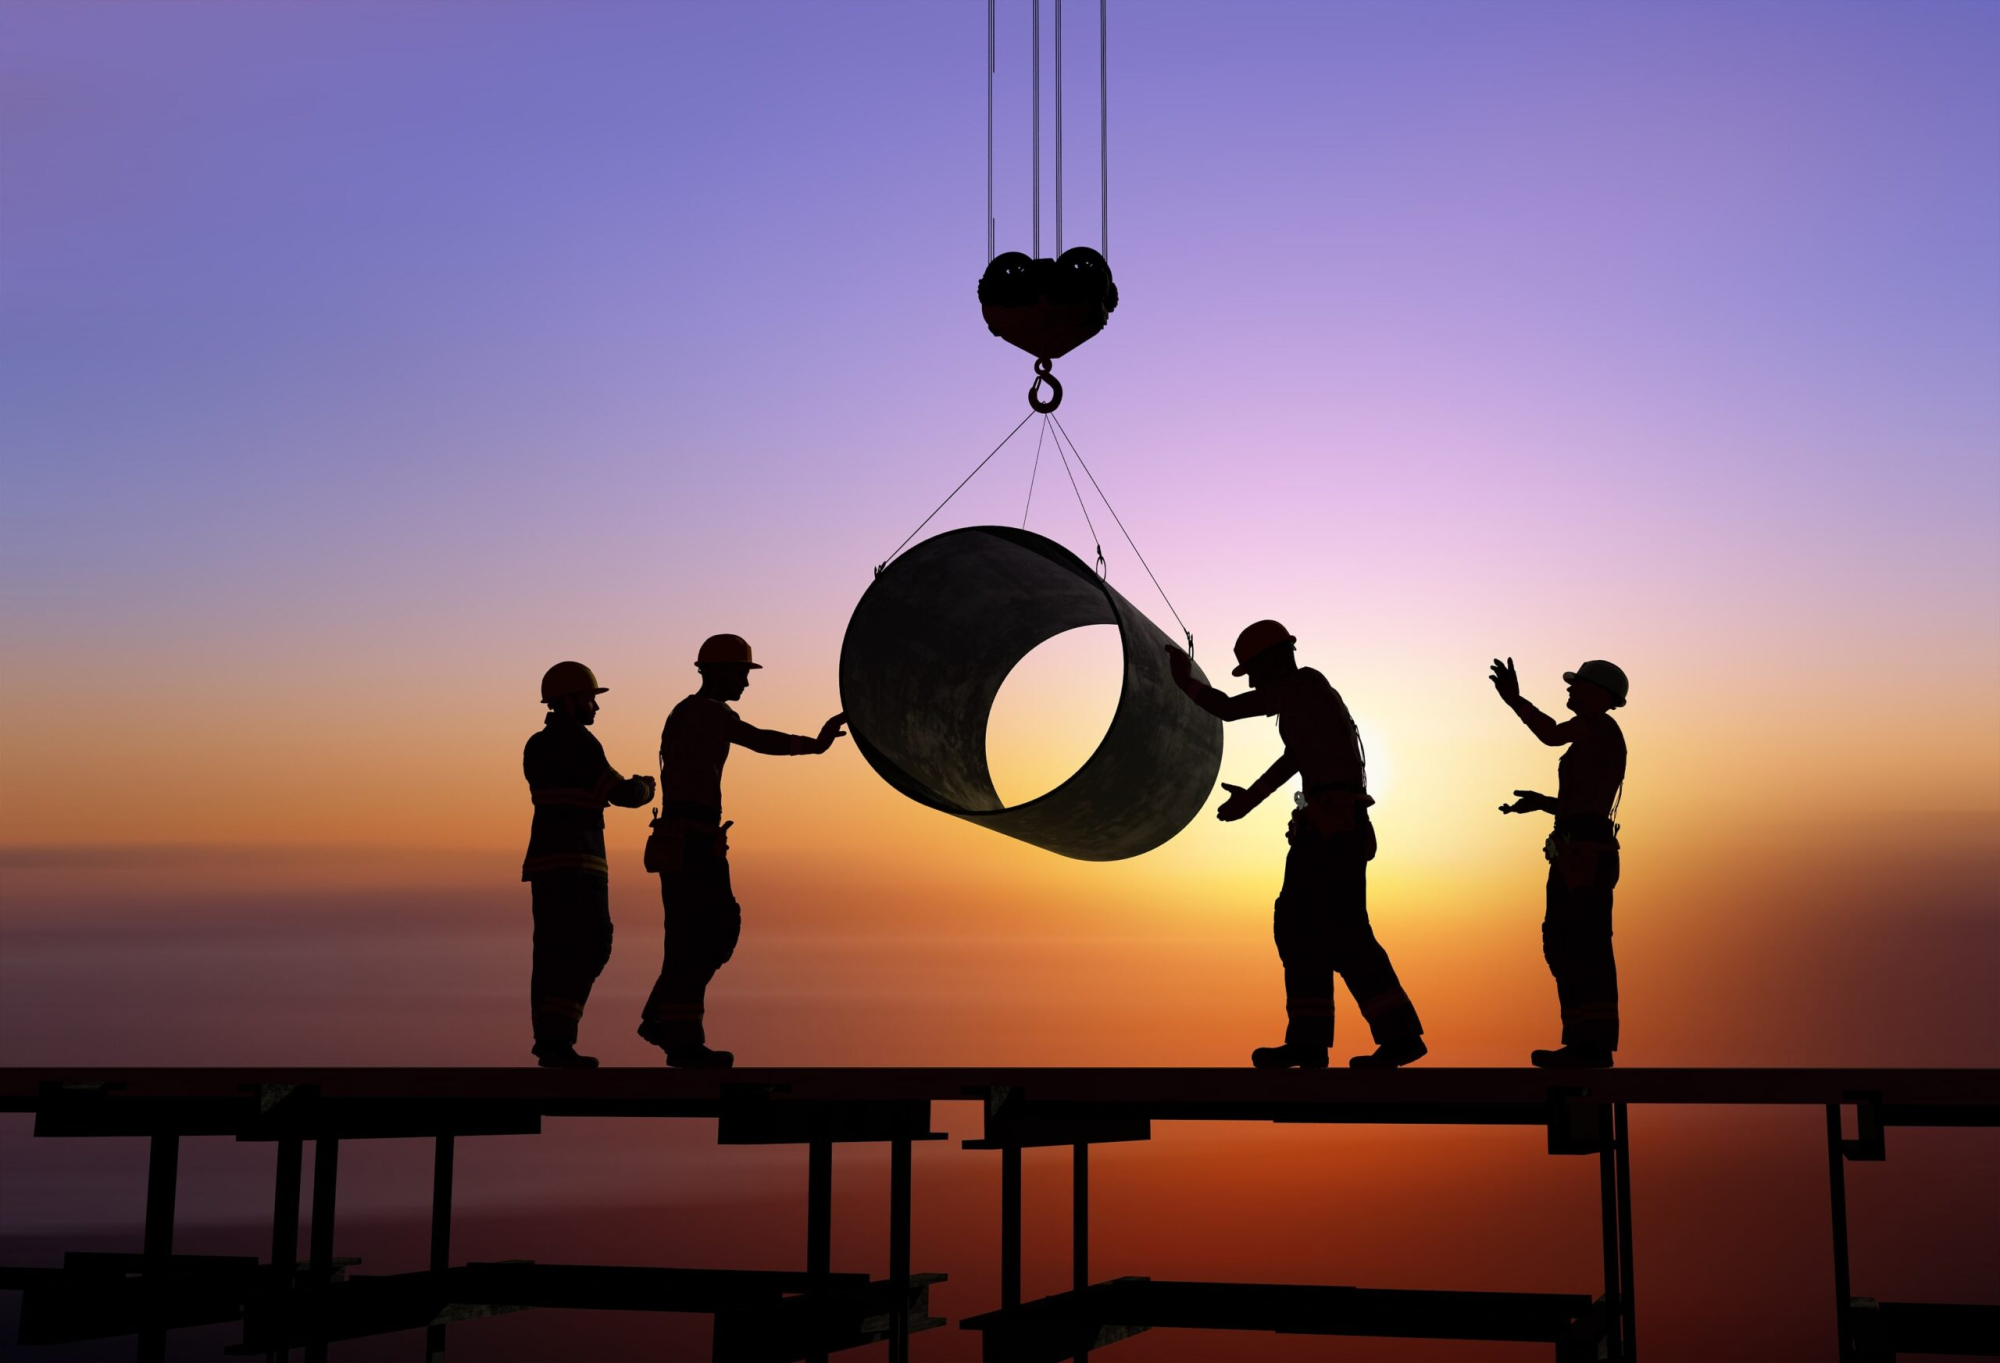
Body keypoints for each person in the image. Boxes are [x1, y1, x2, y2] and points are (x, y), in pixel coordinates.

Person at [1167, 621, 1426, 1069]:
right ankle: (1310, 1042)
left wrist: (1182, 681)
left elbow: (1227, 708)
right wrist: (1250, 797)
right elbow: (1296, 758)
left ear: (1274, 659)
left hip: (1333, 833)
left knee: (1342, 933)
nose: (1251, 681)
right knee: (1302, 929)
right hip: (1328, 829)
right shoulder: (1308, 700)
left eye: (1252, 670)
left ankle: (1398, 1036)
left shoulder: (1302, 686)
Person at [638, 633, 847, 1068]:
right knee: (701, 936)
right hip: (692, 843)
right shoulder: (705, 713)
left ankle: (664, 1020)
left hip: (692, 840)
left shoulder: (691, 713)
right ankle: (679, 1039)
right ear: (714, 672)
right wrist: (815, 743)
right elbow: (758, 739)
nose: (746, 683)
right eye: (740, 673)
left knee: (703, 935)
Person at [1489, 657, 1629, 1069]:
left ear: (1600, 694)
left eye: (1576, 686)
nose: (1569, 692)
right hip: (1577, 849)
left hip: (1585, 852)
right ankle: (1581, 1041)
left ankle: (1593, 1045)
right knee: (1565, 942)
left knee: (1583, 943)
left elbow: (1549, 735)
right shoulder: (1598, 736)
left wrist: (1515, 700)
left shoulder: (1598, 727)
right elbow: (1583, 803)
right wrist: (1542, 804)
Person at [521, 661, 655, 1068]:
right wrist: (646, 786)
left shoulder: (536, 745)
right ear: (568, 700)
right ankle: (558, 1042)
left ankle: (550, 1041)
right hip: (579, 867)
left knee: (551, 953)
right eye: (590, 699)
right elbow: (622, 793)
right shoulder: (578, 742)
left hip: (545, 867)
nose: (596, 707)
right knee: (591, 945)